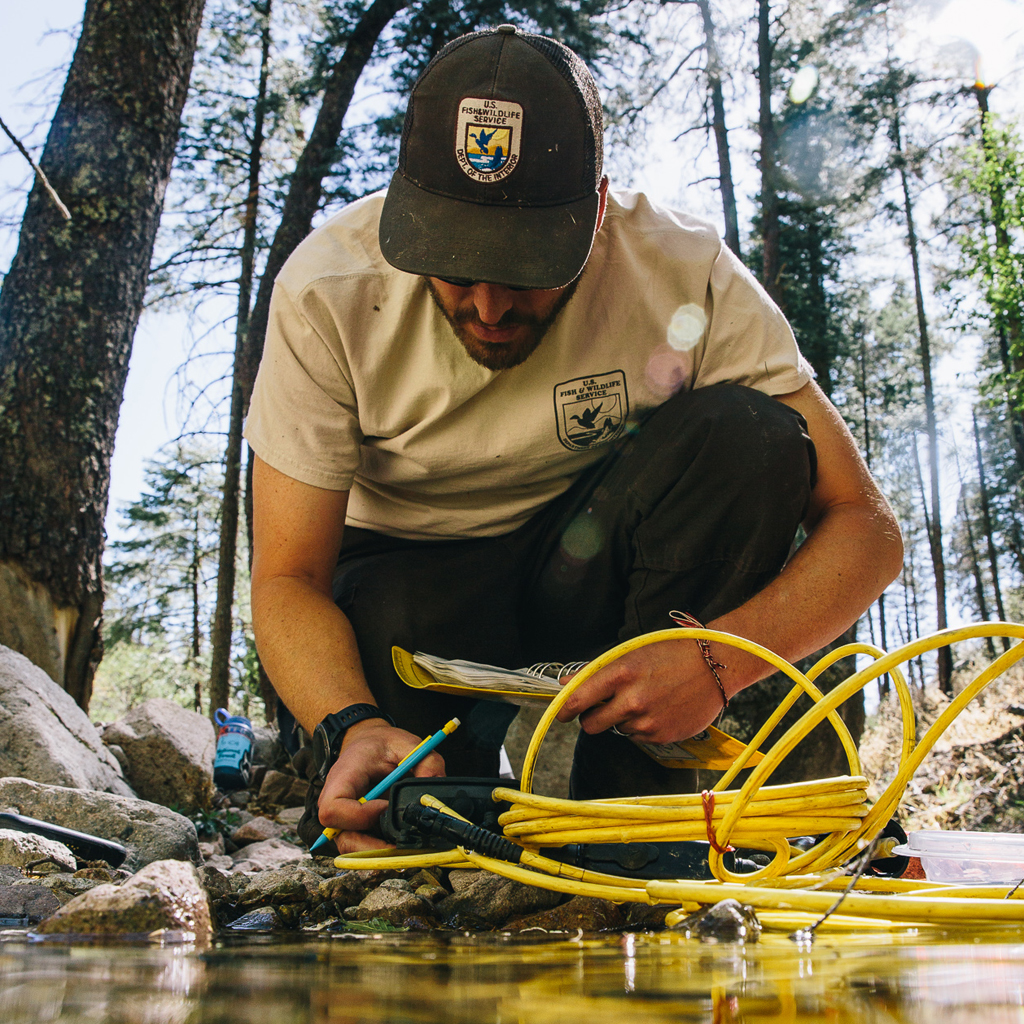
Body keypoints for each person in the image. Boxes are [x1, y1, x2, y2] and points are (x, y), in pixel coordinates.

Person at [243, 25, 903, 852]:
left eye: (525, 267)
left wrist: (718, 663)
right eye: (453, 264)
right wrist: (350, 721)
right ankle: (413, 775)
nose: (487, 307)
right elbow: (287, 578)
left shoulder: (681, 270)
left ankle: (637, 799)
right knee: (414, 822)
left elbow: (867, 531)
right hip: (410, 597)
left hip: (592, 573)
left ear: (594, 210)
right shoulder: (329, 291)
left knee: (753, 438)